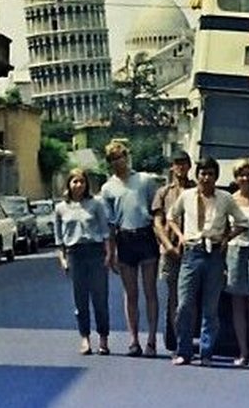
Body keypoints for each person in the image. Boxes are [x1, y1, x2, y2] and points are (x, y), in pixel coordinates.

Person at [168, 156, 247, 366]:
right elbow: (171, 216)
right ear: (197, 175)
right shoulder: (186, 196)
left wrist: (227, 238)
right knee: (184, 304)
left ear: (216, 176)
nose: (206, 178)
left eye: (210, 174)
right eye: (203, 173)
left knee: (210, 307)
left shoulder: (225, 198)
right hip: (191, 252)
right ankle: (183, 350)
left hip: (214, 255)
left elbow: (242, 222)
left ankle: (206, 352)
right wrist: (180, 236)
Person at [100, 140, 160, 357]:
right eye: (113, 159)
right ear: (109, 163)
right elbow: (110, 224)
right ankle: (133, 340)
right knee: (130, 293)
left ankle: (152, 339)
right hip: (124, 238)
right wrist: (111, 251)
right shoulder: (108, 188)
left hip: (145, 235)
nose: (119, 161)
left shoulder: (145, 180)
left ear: (127, 156)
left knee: (150, 290)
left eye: (121, 156)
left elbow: (156, 213)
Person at [54, 168, 114, 356]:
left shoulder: (95, 204)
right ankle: (85, 338)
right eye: (75, 182)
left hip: (95, 252)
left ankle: (103, 338)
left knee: (100, 299)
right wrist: (63, 260)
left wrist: (109, 254)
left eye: (82, 182)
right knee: (80, 300)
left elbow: (105, 231)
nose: (78, 185)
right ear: (69, 185)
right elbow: (58, 239)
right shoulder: (61, 208)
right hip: (75, 254)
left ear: (86, 184)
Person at [152, 150, 196, 354]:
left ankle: (190, 338)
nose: (180, 167)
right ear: (172, 167)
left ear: (189, 166)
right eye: (177, 163)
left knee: (191, 298)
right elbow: (157, 223)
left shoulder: (197, 189)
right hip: (170, 252)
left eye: (184, 163)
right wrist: (168, 246)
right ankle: (178, 341)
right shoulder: (163, 193)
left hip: (194, 249)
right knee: (174, 298)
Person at [225, 158, 249, 368]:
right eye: (241, 175)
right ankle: (242, 352)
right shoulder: (229, 200)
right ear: (236, 178)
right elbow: (223, 230)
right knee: (238, 304)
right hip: (234, 252)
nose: (245, 178)